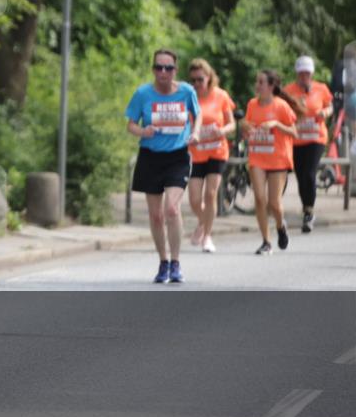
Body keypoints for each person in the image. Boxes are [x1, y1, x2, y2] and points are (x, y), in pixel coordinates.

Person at [125, 49, 201, 284]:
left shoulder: (187, 92)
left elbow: (197, 115)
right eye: (159, 67)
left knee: (172, 209)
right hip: (150, 157)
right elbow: (130, 124)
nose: (163, 72)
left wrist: (196, 132)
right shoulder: (143, 94)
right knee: (156, 216)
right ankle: (163, 262)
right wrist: (142, 131)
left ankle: (176, 262)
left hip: (177, 157)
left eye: (168, 68)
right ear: (153, 70)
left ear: (175, 70)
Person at [242, 70, 302, 255]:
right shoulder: (252, 104)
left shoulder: (281, 106)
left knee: (274, 203)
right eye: (257, 81)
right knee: (260, 198)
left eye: (261, 82)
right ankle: (266, 241)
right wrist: (245, 128)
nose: (257, 85)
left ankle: (280, 226)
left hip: (278, 158)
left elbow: (294, 132)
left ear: (271, 86)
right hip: (258, 155)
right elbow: (246, 128)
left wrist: (276, 124)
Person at [186, 58, 235, 253]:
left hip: (217, 150)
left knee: (211, 193)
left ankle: (207, 236)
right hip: (196, 152)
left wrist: (222, 131)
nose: (197, 84)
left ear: (209, 77)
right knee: (194, 199)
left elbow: (232, 124)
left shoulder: (221, 96)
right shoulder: (190, 97)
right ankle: (203, 222)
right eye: (193, 80)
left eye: (200, 79)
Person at [283, 56, 334, 233]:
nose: (304, 76)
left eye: (307, 73)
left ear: (311, 73)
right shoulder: (288, 91)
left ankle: (309, 211)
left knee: (309, 173)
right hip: (296, 139)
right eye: (301, 72)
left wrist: (325, 112)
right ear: (297, 73)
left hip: (316, 138)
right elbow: (283, 111)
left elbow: (330, 106)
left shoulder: (321, 89)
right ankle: (306, 207)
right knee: (300, 175)